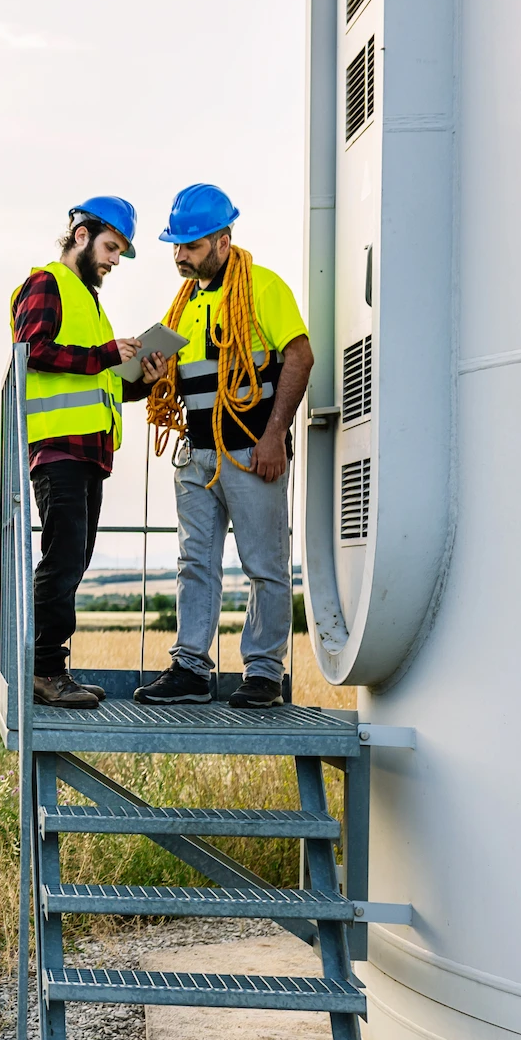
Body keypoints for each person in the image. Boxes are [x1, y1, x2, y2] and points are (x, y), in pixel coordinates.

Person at [133, 183, 314, 709]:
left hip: (252, 454)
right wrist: (145, 371)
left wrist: (274, 434)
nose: (179, 256)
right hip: (195, 456)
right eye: (175, 246)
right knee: (195, 562)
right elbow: (156, 383)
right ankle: (189, 668)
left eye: (189, 246)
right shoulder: (182, 307)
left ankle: (263, 674)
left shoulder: (264, 287)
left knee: (264, 565)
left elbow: (298, 358)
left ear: (223, 239)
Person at [10, 197, 152, 708]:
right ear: (81, 235)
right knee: (62, 557)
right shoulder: (47, 283)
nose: (115, 260)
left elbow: (99, 381)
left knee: (75, 560)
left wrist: (138, 382)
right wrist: (108, 353)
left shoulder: (90, 302)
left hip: (90, 453)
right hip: (58, 450)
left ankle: (53, 668)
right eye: (112, 247)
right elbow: (34, 350)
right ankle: (43, 670)